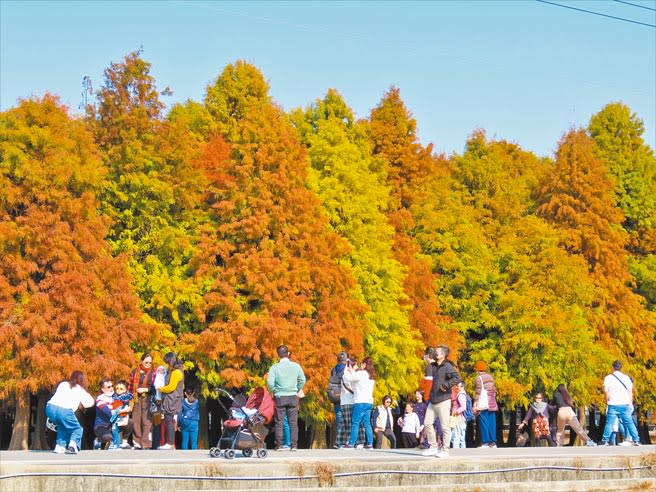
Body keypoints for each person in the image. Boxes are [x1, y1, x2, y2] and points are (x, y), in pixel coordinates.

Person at [422, 345, 460, 458]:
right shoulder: (433, 366)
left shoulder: (447, 366)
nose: (435, 352)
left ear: (443, 355)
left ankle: (445, 450)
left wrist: (446, 385)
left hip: (443, 400)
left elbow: (456, 378)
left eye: (437, 351)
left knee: (444, 426)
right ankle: (433, 447)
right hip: (433, 400)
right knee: (427, 423)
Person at [267, 345, 306, 452]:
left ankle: (279, 445)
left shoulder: (274, 367)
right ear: (288, 354)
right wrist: (297, 389)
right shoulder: (296, 366)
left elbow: (270, 383)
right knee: (293, 422)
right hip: (293, 396)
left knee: (279, 421)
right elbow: (302, 379)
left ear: (278, 355)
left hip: (280, 396)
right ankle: (293, 445)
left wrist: (274, 390)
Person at [45, 370, 95, 454]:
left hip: (50, 408)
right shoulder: (80, 390)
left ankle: (60, 446)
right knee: (77, 429)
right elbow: (88, 404)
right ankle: (73, 444)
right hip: (64, 411)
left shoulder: (63, 384)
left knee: (62, 426)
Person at [599, 361, 641, 446]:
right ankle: (636, 440)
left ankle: (604, 440)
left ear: (613, 367)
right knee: (629, 423)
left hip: (613, 404)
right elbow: (630, 392)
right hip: (625, 404)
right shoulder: (626, 378)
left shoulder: (608, 378)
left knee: (609, 423)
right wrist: (630, 403)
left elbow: (606, 391)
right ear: (621, 367)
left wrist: (607, 400)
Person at [343, 356, 376, 449]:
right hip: (369, 402)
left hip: (360, 402)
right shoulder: (371, 376)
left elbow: (349, 379)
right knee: (367, 423)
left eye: (362, 363)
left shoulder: (361, 373)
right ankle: (370, 444)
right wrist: (353, 372)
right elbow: (356, 380)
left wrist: (348, 370)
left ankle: (351, 443)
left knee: (355, 422)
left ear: (364, 364)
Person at [335, 358, 365, 448]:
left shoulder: (353, 374)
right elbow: (354, 384)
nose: (357, 367)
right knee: (348, 423)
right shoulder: (346, 375)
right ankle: (348, 442)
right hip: (348, 402)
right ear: (350, 366)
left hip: (353, 401)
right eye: (355, 365)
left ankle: (356, 442)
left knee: (356, 422)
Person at [158, 352, 185, 450]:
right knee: (168, 420)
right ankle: (169, 443)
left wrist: (160, 389)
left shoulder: (176, 372)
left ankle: (169, 443)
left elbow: (171, 387)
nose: (167, 364)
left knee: (169, 420)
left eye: (167, 362)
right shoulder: (176, 371)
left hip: (172, 399)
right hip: (171, 398)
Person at [127, 352, 154, 449]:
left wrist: (145, 389)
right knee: (136, 420)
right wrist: (129, 399)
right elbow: (130, 387)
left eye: (150, 363)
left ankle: (146, 443)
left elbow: (155, 388)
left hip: (148, 398)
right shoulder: (134, 372)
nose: (148, 364)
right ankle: (137, 442)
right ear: (142, 361)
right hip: (136, 398)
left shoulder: (153, 372)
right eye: (146, 362)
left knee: (146, 421)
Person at [473, 360, 498, 448]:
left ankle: (485, 442)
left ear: (477, 369)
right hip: (491, 402)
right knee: (492, 422)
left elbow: (478, 392)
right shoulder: (491, 377)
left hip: (483, 403)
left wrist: (475, 404)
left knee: (484, 422)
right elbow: (494, 390)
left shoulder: (479, 378)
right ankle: (493, 442)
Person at [328, 351, 349, 448]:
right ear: (346, 360)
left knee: (339, 419)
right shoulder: (348, 369)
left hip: (336, 397)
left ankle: (339, 442)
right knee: (348, 420)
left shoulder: (333, 369)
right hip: (346, 397)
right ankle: (346, 442)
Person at [94, 379, 119, 450]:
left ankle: (124, 442)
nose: (111, 388)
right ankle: (97, 442)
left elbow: (120, 408)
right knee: (107, 437)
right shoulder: (100, 399)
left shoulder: (116, 397)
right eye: (108, 387)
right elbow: (108, 412)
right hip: (101, 426)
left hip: (113, 424)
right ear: (103, 389)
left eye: (112, 386)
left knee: (130, 423)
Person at [112, 380, 134, 449]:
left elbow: (130, 408)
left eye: (121, 389)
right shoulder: (113, 397)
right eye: (117, 388)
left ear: (126, 389)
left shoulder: (128, 397)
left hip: (123, 418)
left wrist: (125, 410)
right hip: (114, 420)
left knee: (130, 422)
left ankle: (124, 442)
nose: (118, 390)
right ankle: (114, 443)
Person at [450, 381, 468, 449]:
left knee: (456, 436)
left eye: (459, 386)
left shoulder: (460, 395)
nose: (457, 387)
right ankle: (462, 452)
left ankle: (456, 451)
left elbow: (463, 407)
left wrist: (456, 411)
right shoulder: (463, 395)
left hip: (459, 418)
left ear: (462, 387)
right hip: (462, 419)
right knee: (461, 437)